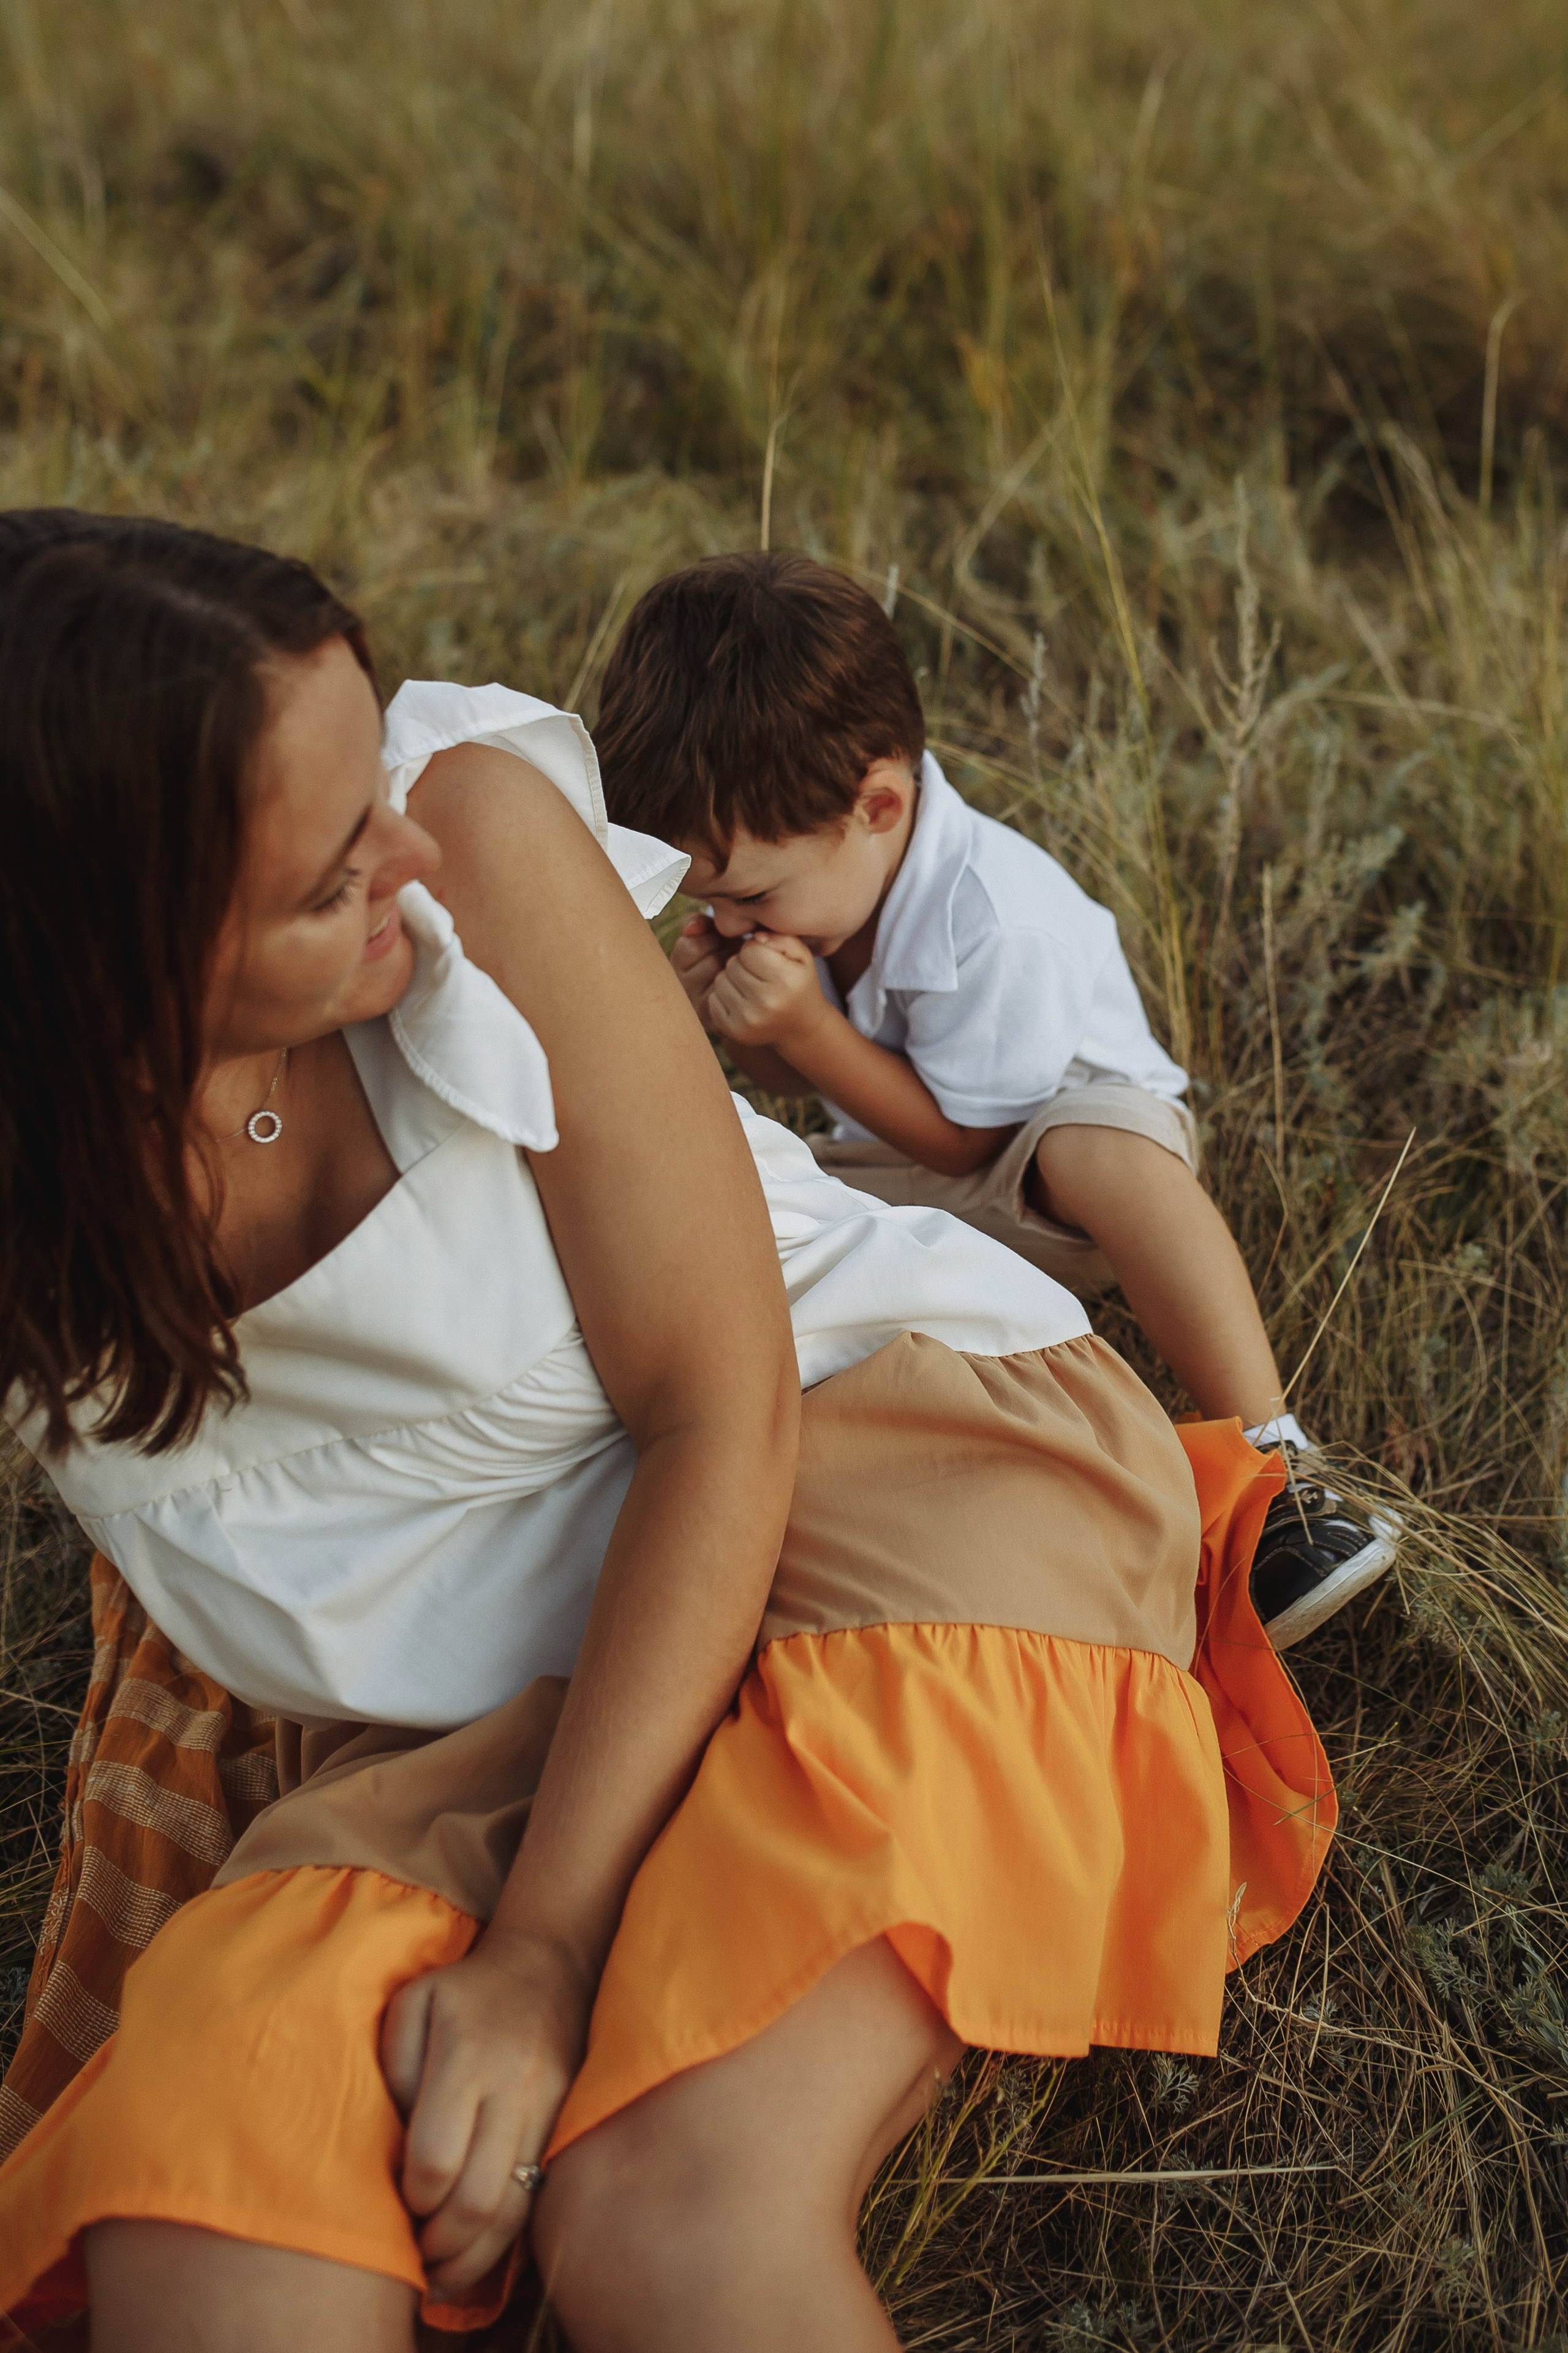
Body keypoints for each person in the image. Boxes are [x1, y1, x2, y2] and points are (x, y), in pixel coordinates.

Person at [0, 510, 1332, 2353]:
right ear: (107, 989)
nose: (405, 844)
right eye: (327, 873)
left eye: (369, 768)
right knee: (208, 2216)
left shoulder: (462, 829)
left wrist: (543, 1955)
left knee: (665, 2212)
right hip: (466, 1681)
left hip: (880, 1464)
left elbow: (719, 1400)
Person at [594, 549, 1396, 1651]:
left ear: (877, 803)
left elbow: (969, 1135)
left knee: (1101, 1150)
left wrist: (807, 1031)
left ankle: (1279, 1465)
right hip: (911, 1164)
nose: (734, 923)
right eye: (713, 905)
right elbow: (819, 1097)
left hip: (1045, 1170)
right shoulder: (825, 880)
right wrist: (749, 1028)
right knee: (732, 1196)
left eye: (751, 895)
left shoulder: (996, 917)